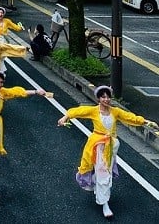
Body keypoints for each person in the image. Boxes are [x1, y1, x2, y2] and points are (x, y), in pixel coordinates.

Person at [57, 86, 158, 219]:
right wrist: (65, 117)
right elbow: (78, 111)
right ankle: (104, 203)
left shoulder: (115, 111)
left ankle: (99, 189)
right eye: (103, 97)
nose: (106, 99)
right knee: (103, 174)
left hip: (111, 147)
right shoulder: (94, 111)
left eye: (108, 96)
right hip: (97, 146)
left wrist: (146, 122)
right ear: (98, 99)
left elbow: (129, 117)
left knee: (104, 173)